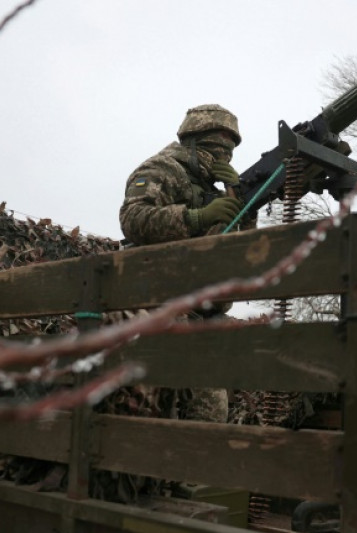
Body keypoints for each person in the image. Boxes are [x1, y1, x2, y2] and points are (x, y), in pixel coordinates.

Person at [119, 103, 256, 423]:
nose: (221, 157)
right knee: (207, 405)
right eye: (213, 148)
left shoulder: (216, 188)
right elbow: (133, 218)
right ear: (192, 143)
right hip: (159, 302)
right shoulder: (162, 170)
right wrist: (196, 217)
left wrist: (243, 204)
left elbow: (243, 254)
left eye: (228, 152)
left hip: (204, 311)